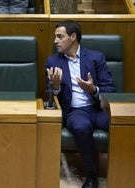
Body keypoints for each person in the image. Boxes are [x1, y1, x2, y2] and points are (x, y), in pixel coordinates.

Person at [45, 20, 115, 188]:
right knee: (81, 127)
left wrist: (93, 89)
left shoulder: (95, 57)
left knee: (121, 124)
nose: (55, 41)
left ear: (73, 37)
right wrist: (55, 86)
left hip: (99, 108)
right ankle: (92, 176)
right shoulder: (53, 62)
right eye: (55, 37)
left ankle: (125, 170)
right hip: (75, 111)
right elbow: (49, 97)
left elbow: (111, 89)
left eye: (60, 37)